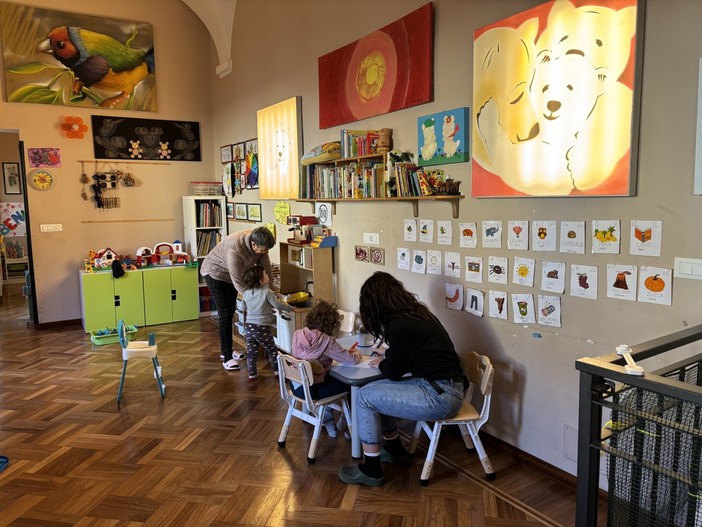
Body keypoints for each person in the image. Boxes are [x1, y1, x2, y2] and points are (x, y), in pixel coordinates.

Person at [338, 271, 465, 487]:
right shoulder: (417, 314)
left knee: (365, 396)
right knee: (377, 389)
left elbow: (394, 372)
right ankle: (395, 448)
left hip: (440, 397)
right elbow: (410, 354)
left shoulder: (400, 326)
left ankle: (372, 470)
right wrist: (389, 354)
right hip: (446, 387)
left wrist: (382, 362)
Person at [200, 226, 275, 371]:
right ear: (253, 244)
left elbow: (266, 270)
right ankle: (226, 356)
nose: (265, 252)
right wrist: (256, 300)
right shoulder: (234, 250)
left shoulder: (261, 244)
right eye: (263, 250)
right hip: (215, 274)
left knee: (231, 310)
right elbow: (239, 284)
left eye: (267, 250)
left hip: (231, 276)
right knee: (225, 314)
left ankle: (228, 349)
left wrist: (270, 292)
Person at [291, 299, 362, 437]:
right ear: (332, 324)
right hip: (312, 391)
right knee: (352, 384)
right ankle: (346, 422)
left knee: (330, 377)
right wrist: (356, 353)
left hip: (296, 386)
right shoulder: (327, 341)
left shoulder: (298, 333)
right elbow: (351, 360)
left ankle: (328, 415)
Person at [241, 264, 294, 380]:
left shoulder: (245, 293)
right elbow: (277, 305)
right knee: (272, 350)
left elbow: (244, 308)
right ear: (261, 281)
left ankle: (252, 374)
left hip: (248, 327)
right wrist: (290, 308)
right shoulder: (267, 292)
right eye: (265, 274)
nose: (267, 275)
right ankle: (278, 372)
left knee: (251, 352)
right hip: (261, 327)